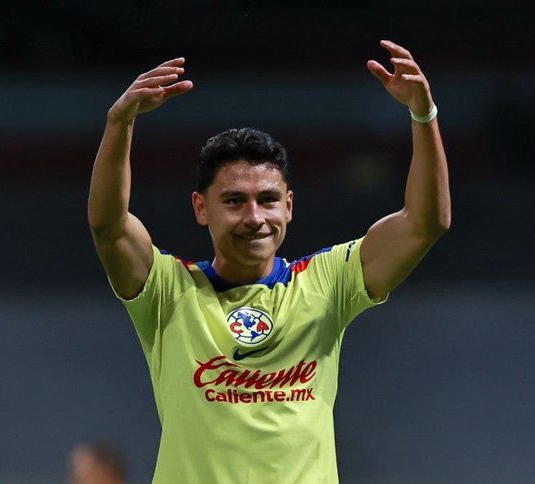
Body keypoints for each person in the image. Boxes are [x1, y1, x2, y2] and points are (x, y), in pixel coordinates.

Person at [88, 39, 450, 483]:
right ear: (201, 208)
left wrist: (423, 115)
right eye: (234, 201)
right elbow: (108, 226)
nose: (255, 217)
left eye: (268, 200)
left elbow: (424, 223)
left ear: (289, 206)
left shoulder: (327, 282)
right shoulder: (168, 291)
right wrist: (119, 122)